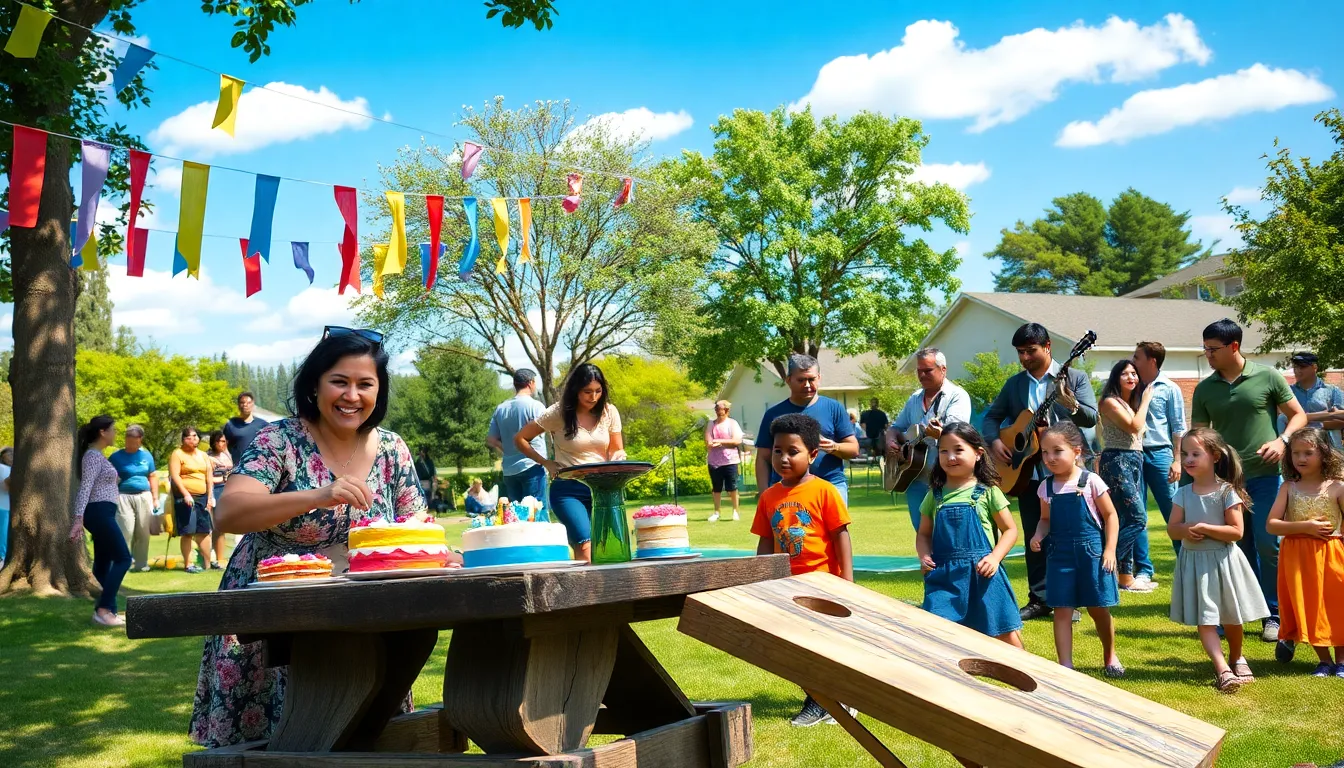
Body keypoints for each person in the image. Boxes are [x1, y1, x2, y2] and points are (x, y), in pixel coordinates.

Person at [192, 325, 446, 748]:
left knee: (365, 726)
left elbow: (414, 525)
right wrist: (317, 495)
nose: (352, 395)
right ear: (315, 386)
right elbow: (229, 514)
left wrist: (439, 552)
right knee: (288, 739)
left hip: (367, 612)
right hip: (275, 613)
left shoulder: (392, 449)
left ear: (378, 392)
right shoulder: (280, 440)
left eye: (365, 384)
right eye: (339, 382)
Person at [1191, 318, 1307, 648]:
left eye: (1212, 349)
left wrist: (1282, 441)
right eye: (1205, 349)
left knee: (1268, 544)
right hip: (1226, 483)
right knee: (1234, 548)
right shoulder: (1204, 388)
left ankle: (1274, 613)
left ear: (1234, 347)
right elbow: (1200, 435)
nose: (1207, 355)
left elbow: (1298, 415)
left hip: (1266, 476)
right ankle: (1238, 612)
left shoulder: (1267, 376)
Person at [983, 323, 1099, 621]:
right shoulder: (1014, 385)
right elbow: (992, 417)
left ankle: (1069, 601)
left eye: (1030, 351)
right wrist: (996, 441)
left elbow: (1090, 417)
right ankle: (1040, 598)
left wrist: (1069, 402)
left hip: (1066, 472)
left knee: (1066, 534)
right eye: (1020, 352)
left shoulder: (1074, 377)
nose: (1024, 358)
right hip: (1025, 472)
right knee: (1036, 537)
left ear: (1047, 346)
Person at [751, 413, 853, 727]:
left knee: (825, 644)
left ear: (812, 454)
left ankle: (829, 701)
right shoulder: (769, 496)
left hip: (824, 584)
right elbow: (766, 541)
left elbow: (841, 535)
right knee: (795, 646)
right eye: (777, 450)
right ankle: (822, 699)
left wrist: (848, 582)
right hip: (787, 587)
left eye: (792, 451)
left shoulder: (824, 491)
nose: (782, 458)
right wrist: (760, 582)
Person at [1168, 428, 1271, 693]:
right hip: (1195, 564)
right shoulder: (1182, 493)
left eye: (1195, 453)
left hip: (1224, 563)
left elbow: (1236, 532)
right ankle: (1223, 669)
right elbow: (1173, 528)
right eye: (1184, 454)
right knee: (1206, 618)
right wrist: (1185, 530)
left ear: (1214, 456)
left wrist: (1203, 527)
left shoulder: (1227, 492)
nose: (1188, 459)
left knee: (1231, 618)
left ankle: (1237, 656)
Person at [917, 422, 1023, 647]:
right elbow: (924, 533)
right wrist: (924, 555)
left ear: (978, 454)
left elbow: (1010, 530)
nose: (950, 457)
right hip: (944, 576)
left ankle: (1034, 676)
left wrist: (995, 558)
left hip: (983, 575)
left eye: (958, 449)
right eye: (944, 451)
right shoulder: (934, 496)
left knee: (1003, 632)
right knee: (938, 631)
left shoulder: (988, 492)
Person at [1030, 422, 1123, 678]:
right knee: (1061, 609)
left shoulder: (1091, 481)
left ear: (1076, 451)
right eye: (1045, 452)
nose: (1050, 458)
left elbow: (1111, 515)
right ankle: (1066, 666)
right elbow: (1045, 519)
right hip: (1059, 557)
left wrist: (1110, 550)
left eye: (1057, 451)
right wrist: (1038, 535)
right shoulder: (1045, 487)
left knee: (1098, 608)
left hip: (1092, 555)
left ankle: (1110, 655)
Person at [514, 363, 626, 563]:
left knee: (606, 544)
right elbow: (520, 439)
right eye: (587, 392)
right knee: (585, 542)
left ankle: (605, 591)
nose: (593, 397)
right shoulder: (558, 413)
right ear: (576, 390)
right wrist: (545, 462)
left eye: (598, 391)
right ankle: (588, 591)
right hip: (568, 489)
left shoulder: (610, 412)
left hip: (602, 488)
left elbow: (616, 448)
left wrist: (619, 456)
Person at [1266, 428, 1344, 679]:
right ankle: (1324, 660)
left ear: (1324, 453)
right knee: (1309, 606)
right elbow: (1272, 524)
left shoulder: (1337, 487)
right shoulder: (1288, 488)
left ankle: (1342, 660)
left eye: (1308, 452)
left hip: (1332, 553)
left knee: (1336, 606)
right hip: (1298, 557)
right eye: (1295, 453)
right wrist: (1305, 528)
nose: (1301, 458)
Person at [754, 354, 860, 505]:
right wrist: (764, 494)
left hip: (830, 484)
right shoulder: (774, 414)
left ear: (819, 378)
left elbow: (853, 449)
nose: (807, 385)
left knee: (835, 529)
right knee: (787, 529)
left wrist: (834, 447)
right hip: (786, 488)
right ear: (788, 380)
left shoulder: (833, 408)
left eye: (811, 379)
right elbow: (763, 457)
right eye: (801, 380)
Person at [888, 348, 972, 530]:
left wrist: (940, 434)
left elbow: (957, 437)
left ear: (943, 369)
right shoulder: (914, 399)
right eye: (919, 371)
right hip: (914, 477)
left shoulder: (957, 396)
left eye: (928, 370)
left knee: (948, 534)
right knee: (922, 535)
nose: (922, 375)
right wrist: (891, 441)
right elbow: (896, 428)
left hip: (946, 478)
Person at [1097, 359, 1156, 593]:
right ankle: (1102, 564)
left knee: (1123, 519)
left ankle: (1125, 578)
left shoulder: (1127, 402)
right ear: (1115, 378)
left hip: (1134, 460)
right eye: (1125, 374)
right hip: (1117, 461)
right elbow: (1134, 426)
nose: (1132, 377)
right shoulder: (1110, 402)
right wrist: (1147, 400)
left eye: (1134, 373)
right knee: (1137, 518)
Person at [70, 416, 132, 628]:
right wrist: (78, 519)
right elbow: (85, 487)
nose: (116, 433)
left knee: (103, 563)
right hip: (98, 512)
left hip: (104, 511)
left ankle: (108, 611)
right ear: (103, 432)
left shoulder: (99, 457)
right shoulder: (93, 457)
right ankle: (104, 609)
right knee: (124, 558)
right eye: (113, 430)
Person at [1132, 341, 1187, 569]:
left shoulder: (1169, 388)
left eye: (1137, 357)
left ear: (1151, 361)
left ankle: (1186, 562)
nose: (1133, 361)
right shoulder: (1130, 385)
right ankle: (1143, 568)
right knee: (1136, 513)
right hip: (1132, 454)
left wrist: (1177, 460)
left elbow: (1178, 427)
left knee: (1173, 510)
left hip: (1160, 454)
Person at [488, 369, 548, 504]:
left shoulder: (501, 408)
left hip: (509, 470)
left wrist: (509, 449)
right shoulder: (536, 406)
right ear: (530, 383)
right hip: (533, 465)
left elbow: (491, 439)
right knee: (536, 513)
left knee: (516, 516)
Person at [108, 425, 158, 572]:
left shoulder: (146, 456)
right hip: (123, 496)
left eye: (133, 438)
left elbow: (152, 476)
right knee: (126, 530)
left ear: (140, 439)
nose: (129, 441)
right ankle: (123, 561)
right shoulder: (116, 457)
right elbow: (107, 477)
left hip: (144, 495)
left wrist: (155, 498)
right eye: (127, 438)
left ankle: (141, 564)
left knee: (143, 531)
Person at [170, 427, 216, 573]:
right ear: (183, 439)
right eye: (189, 437)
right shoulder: (178, 454)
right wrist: (185, 494)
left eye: (195, 436)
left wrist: (210, 497)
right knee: (188, 532)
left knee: (204, 531)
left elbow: (209, 477)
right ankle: (188, 564)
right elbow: (175, 476)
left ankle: (208, 564)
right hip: (186, 497)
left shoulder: (203, 455)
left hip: (202, 497)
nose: (193, 439)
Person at [1282, 352, 1344, 450]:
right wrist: (1327, 416)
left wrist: (1301, 421)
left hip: (1330, 449)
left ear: (1314, 367)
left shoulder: (1333, 391)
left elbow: (1341, 421)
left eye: (1302, 367)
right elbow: (1283, 419)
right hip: (1298, 451)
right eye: (1295, 367)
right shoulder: (1288, 392)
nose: (1297, 371)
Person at [705, 400, 744, 522]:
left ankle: (735, 511)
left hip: (730, 460)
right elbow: (708, 441)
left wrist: (720, 442)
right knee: (716, 487)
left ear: (726, 410)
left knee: (732, 487)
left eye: (719, 408)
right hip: (714, 461)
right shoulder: (711, 424)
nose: (717, 411)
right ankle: (716, 512)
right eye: (716, 409)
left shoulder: (732, 423)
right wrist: (714, 442)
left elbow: (737, 440)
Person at [207, 430, 234, 569]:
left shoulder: (227, 454)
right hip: (215, 491)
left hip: (228, 491)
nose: (221, 444)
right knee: (217, 526)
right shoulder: (209, 457)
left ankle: (221, 557)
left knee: (225, 525)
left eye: (223, 441)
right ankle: (217, 558)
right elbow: (208, 478)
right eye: (218, 441)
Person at [222, 391, 268, 463]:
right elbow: (223, 446)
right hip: (237, 466)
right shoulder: (231, 424)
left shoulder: (262, 424)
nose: (245, 405)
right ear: (238, 405)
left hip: (257, 466)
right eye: (242, 402)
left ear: (253, 404)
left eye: (248, 403)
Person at [0, 446, 12, 571]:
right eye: (9, 455)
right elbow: (5, 486)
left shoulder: (11, 469)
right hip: (2, 507)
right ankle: (1, 558)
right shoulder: (2, 468)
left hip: (8, 507)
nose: (11, 457)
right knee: (2, 534)